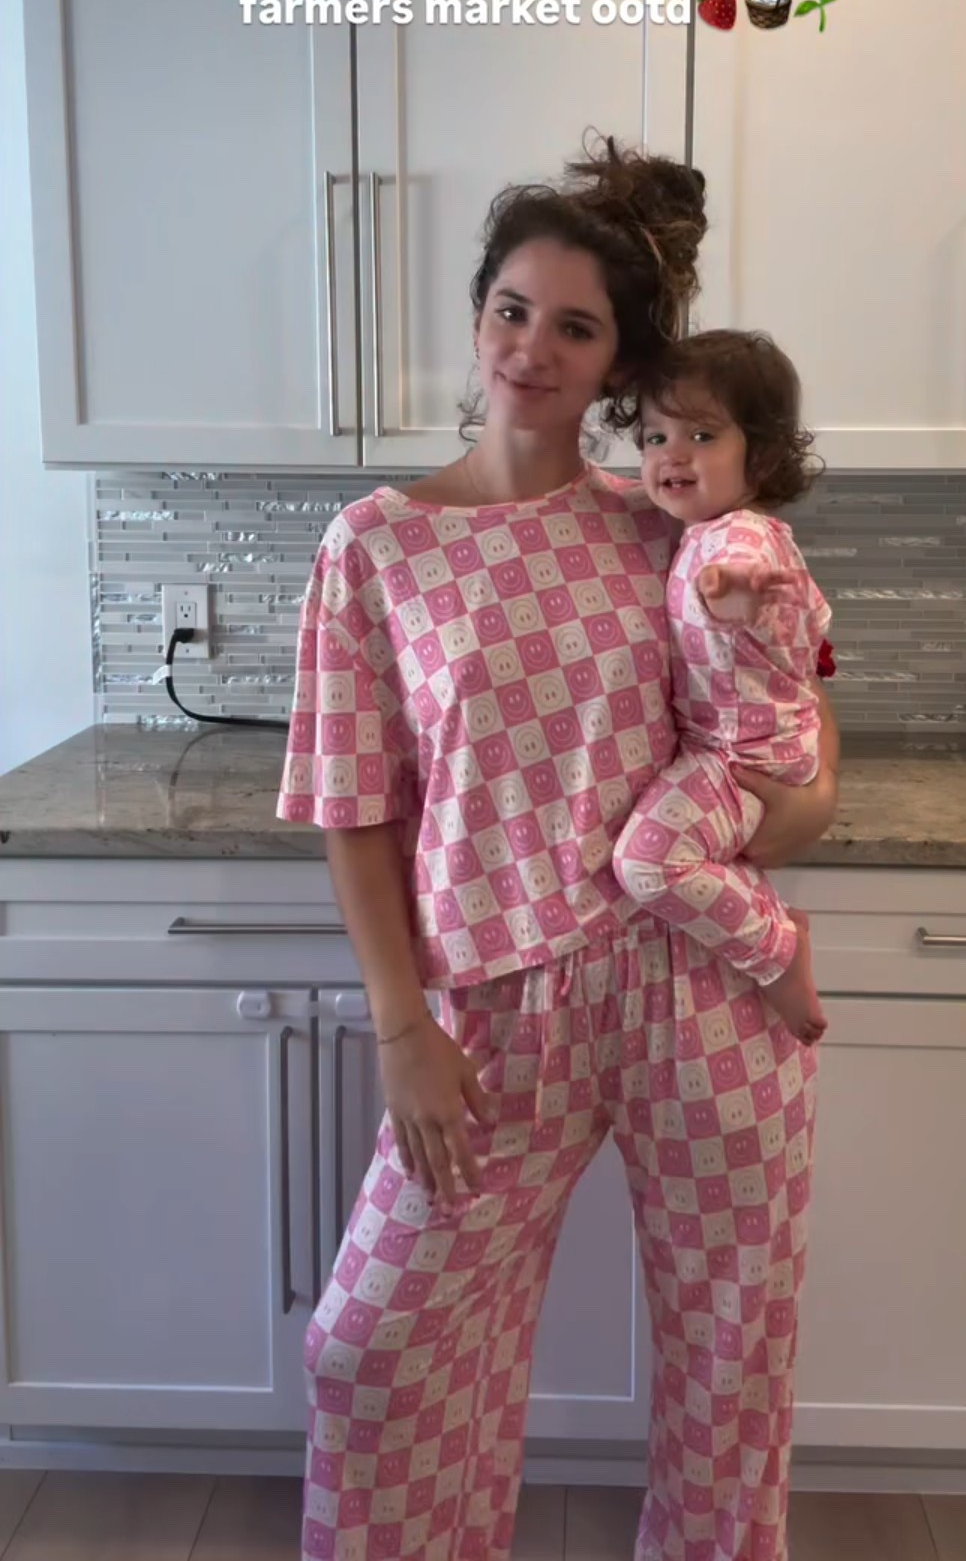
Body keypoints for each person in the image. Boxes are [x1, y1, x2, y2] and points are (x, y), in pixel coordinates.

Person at [276, 135, 839, 1561]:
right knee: (370, 1354)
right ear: (477, 316)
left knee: (731, 1373)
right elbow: (354, 805)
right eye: (515, 309)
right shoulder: (376, 547)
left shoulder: (670, 529)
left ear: (616, 368)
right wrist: (401, 1024)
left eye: (576, 327)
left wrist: (783, 819)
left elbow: (800, 762)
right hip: (491, 1013)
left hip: (694, 991)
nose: (534, 346)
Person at [612, 331, 832, 1047]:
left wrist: (730, 598)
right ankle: (774, 940)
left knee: (647, 860)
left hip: (746, 760)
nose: (671, 453)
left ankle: (777, 951)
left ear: (760, 455)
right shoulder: (700, 531)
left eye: (702, 434)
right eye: (654, 435)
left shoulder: (741, 539)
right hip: (738, 750)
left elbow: (736, 580)